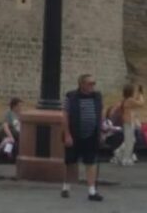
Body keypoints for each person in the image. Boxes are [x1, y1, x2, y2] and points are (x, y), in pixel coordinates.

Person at [61, 73, 103, 202]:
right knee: (71, 163)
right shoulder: (71, 96)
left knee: (91, 162)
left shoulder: (97, 97)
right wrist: (67, 134)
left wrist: (100, 132)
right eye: (90, 83)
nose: (92, 86)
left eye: (94, 83)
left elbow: (100, 114)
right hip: (74, 134)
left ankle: (92, 191)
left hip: (91, 134)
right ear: (82, 84)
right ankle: (66, 186)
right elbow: (65, 116)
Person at [110, 84, 144, 166]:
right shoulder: (129, 100)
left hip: (128, 122)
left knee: (131, 140)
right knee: (129, 141)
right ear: (130, 92)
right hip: (129, 122)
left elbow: (114, 109)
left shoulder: (125, 100)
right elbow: (141, 104)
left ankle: (118, 153)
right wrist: (141, 94)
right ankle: (126, 159)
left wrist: (139, 94)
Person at [0, 97, 23, 162]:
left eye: (21, 106)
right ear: (14, 106)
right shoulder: (9, 113)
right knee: (10, 141)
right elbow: (5, 126)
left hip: (16, 135)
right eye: (19, 106)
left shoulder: (19, 115)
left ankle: (7, 155)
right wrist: (11, 136)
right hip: (8, 133)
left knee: (10, 143)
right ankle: (5, 155)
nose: (20, 108)